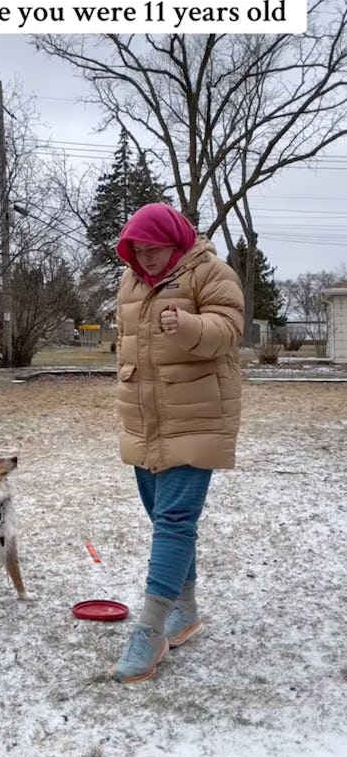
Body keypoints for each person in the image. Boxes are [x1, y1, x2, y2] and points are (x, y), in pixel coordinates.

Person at [111, 202, 244, 684]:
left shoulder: (210, 272)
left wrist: (189, 327)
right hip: (144, 420)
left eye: (153, 249)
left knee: (173, 521)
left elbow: (230, 332)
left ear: (175, 240)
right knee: (162, 519)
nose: (145, 259)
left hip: (197, 417)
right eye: (138, 250)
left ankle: (150, 629)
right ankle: (184, 609)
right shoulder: (129, 281)